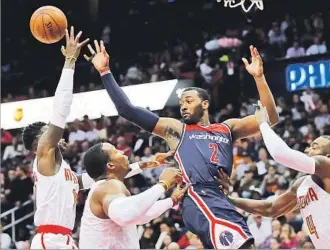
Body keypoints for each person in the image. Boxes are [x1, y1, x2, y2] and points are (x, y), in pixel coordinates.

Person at [84, 40, 278, 249]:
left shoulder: (227, 128)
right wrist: (105, 72)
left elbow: (270, 118)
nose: (183, 107)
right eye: (182, 103)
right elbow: (126, 109)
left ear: (205, 104)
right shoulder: (177, 130)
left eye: (188, 101)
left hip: (220, 197)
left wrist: (259, 78)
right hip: (197, 196)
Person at [22, 29, 170, 249]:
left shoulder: (62, 172)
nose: (57, 133)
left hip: (64, 239)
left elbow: (98, 176)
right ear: (38, 142)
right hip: (49, 240)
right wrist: (70, 62)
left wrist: (141, 165)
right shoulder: (44, 154)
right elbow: (60, 111)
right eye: (49, 130)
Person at [219, 101, 330, 249]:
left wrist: (263, 124)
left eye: (315, 147)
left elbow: (281, 154)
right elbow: (271, 208)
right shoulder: (302, 184)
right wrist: (230, 200)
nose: (308, 150)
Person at [79, 142, 189, 249]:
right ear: (110, 165)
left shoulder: (107, 187)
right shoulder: (107, 187)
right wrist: (162, 184)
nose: (122, 151)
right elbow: (125, 215)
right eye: (115, 151)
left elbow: (140, 215)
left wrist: (172, 200)